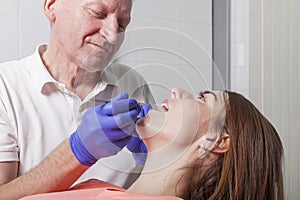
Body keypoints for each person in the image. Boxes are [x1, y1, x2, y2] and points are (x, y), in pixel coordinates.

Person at [0, 0, 155, 199]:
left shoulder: (133, 84)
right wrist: (77, 151)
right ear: (51, 6)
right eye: (97, 13)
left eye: (122, 24)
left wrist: (151, 160)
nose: (112, 34)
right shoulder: (5, 87)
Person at [21, 88, 284, 200]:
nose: (175, 91)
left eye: (202, 98)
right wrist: (76, 151)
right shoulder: (96, 186)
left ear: (217, 140)